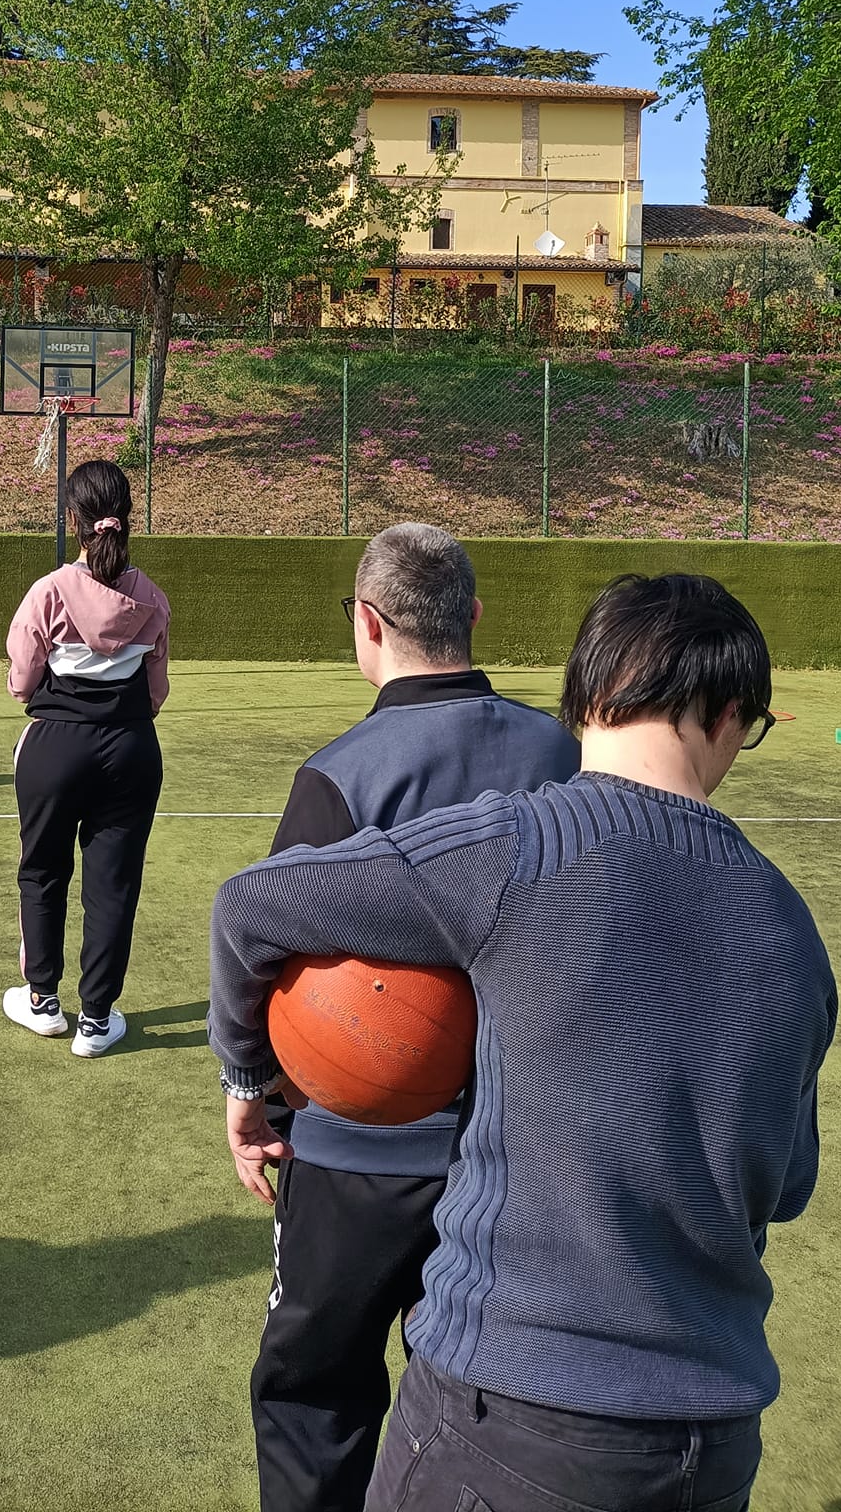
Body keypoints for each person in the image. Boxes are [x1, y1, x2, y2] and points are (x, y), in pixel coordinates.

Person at [210, 572, 836, 1512]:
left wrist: (248, 1079)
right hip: (711, 1443)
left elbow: (252, 904)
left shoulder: (521, 846)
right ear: (726, 715)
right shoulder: (791, 927)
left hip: (510, 1414)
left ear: (588, 693)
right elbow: (786, 1187)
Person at [249, 524, 579, 1512]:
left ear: (366, 622)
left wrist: (255, 1095)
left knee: (313, 1398)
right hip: (519, 1156)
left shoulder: (341, 774)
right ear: (473, 614)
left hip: (357, 1156)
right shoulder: (563, 753)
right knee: (486, 1413)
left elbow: (271, 951)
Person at [2, 458, 170, 1058]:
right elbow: (156, 691)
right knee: (114, 885)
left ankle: (42, 1002)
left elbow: (22, 681)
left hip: (55, 746)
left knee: (42, 872)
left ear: (73, 518)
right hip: (131, 748)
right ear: (126, 517)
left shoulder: (49, 591)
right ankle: (96, 1021)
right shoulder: (151, 597)